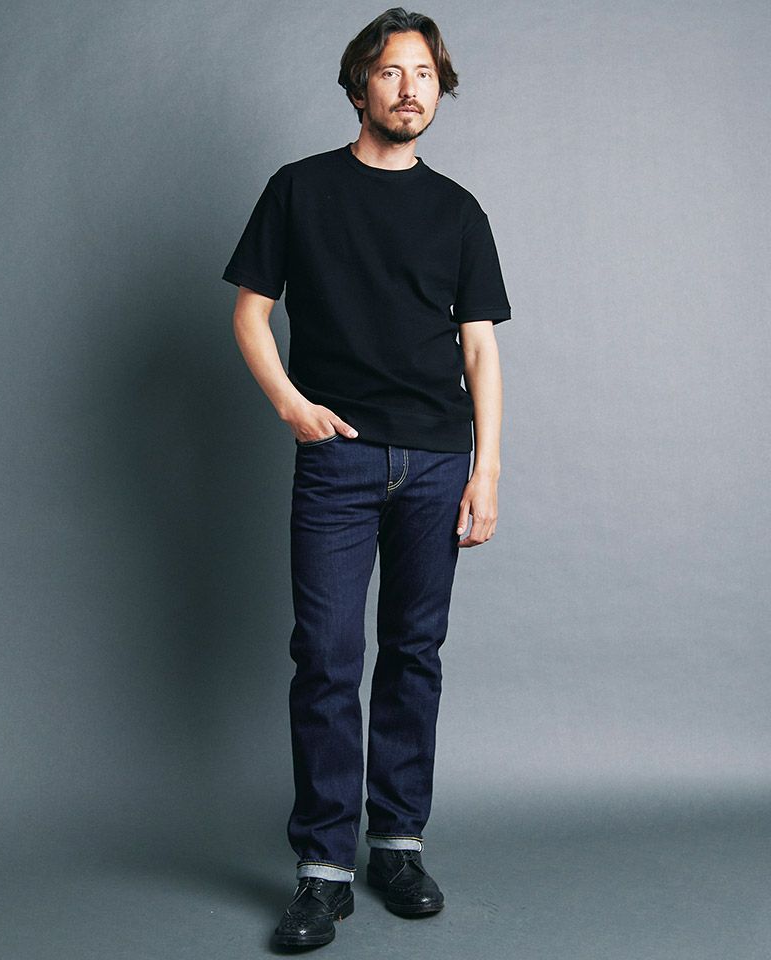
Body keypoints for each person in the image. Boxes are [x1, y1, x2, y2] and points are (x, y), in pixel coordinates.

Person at [221, 7, 511, 950]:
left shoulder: (459, 210)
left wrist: (487, 470)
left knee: (415, 656)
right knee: (327, 657)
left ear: (440, 89)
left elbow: (479, 349)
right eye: (391, 72)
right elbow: (251, 314)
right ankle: (323, 869)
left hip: (438, 461)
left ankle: (397, 844)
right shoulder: (300, 190)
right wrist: (291, 406)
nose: (409, 88)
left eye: (424, 73)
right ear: (360, 87)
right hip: (337, 461)